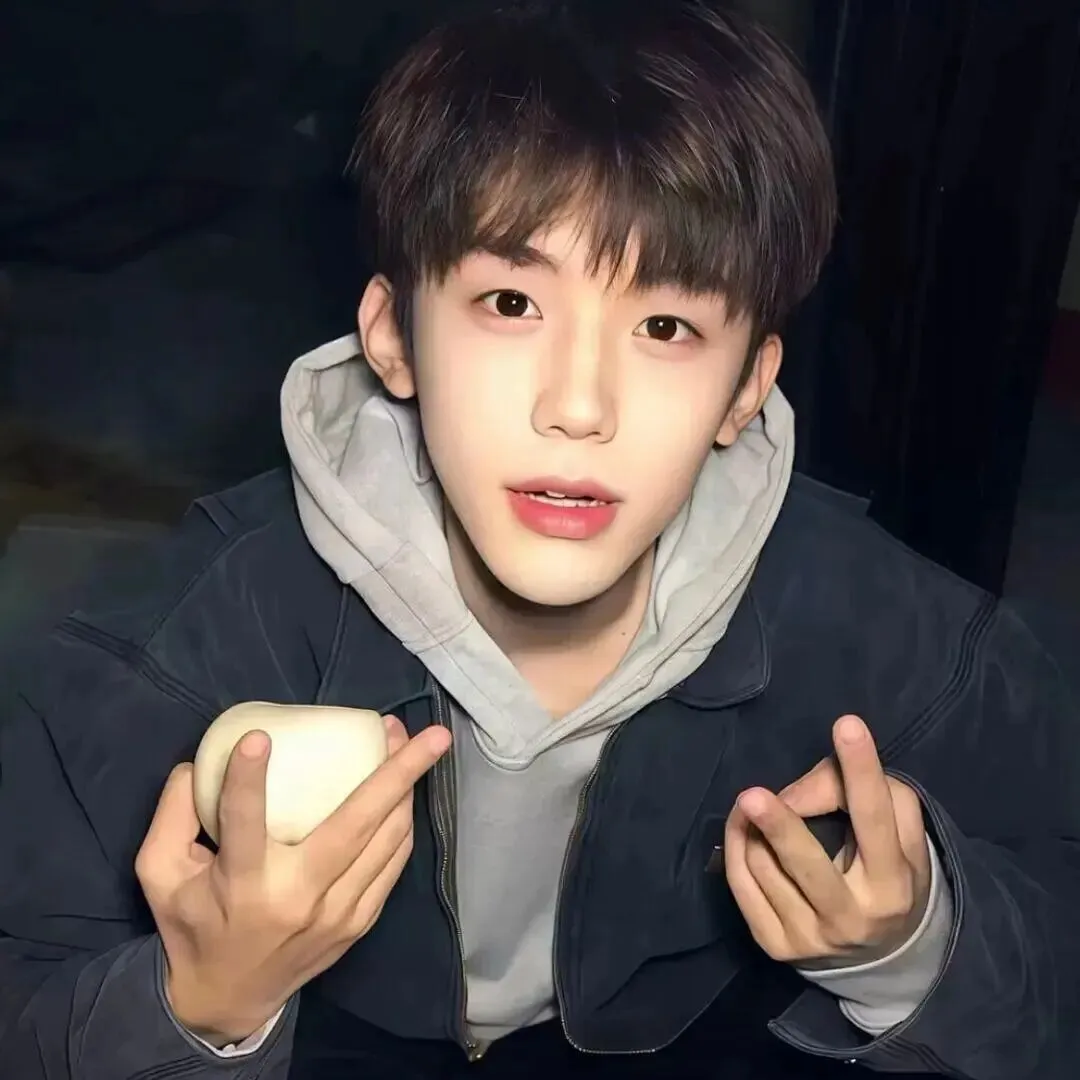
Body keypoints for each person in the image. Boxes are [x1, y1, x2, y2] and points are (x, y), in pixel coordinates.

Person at [1, 2, 1077, 1077]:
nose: (578, 405)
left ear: (748, 386)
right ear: (392, 335)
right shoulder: (168, 654)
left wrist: (907, 950)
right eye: (512, 302)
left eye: (665, 326)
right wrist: (204, 1001)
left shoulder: (897, 638)